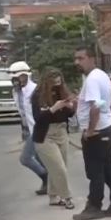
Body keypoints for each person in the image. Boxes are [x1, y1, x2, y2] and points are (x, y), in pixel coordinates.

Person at [72, 46, 111, 220]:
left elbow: (96, 106)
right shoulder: (101, 75)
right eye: (76, 59)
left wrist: (90, 130)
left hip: (97, 132)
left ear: (91, 58)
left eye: (81, 58)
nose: (77, 62)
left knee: (95, 171)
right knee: (108, 168)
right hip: (105, 128)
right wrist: (109, 118)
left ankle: (94, 206)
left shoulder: (93, 80)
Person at [31, 68, 76, 210]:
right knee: (59, 168)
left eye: (59, 82)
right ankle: (67, 197)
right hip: (45, 135)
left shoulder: (61, 91)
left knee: (57, 167)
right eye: (54, 83)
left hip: (62, 131)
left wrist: (70, 107)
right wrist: (53, 109)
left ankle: (53, 196)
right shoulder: (38, 95)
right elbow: (38, 118)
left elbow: (69, 115)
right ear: (47, 82)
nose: (57, 85)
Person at [9, 60, 49, 195]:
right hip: (28, 129)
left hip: (38, 129)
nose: (16, 81)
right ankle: (49, 183)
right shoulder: (16, 92)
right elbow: (22, 113)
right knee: (38, 158)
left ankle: (47, 178)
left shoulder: (35, 90)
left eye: (18, 77)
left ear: (26, 75)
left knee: (25, 158)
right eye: (13, 78)